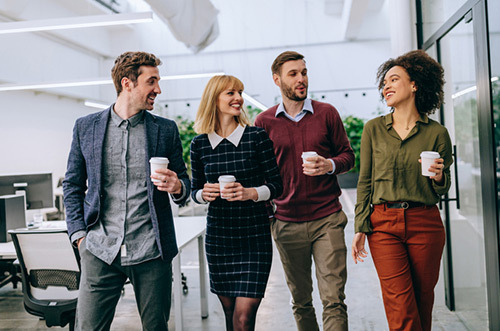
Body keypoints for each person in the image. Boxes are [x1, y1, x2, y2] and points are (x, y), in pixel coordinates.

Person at [63, 51, 190, 330]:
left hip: (150, 250)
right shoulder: (87, 127)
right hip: (99, 249)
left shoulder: (165, 130)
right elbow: (72, 184)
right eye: (152, 81)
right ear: (127, 83)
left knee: (156, 327)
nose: (158, 89)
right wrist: (79, 236)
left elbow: (184, 181)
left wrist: (178, 186)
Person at [351, 50, 453, 331]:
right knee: (400, 304)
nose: (387, 86)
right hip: (383, 224)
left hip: (425, 223)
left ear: (415, 85)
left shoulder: (437, 133)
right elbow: (365, 181)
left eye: (394, 79)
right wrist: (360, 224)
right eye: (384, 83)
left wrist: (439, 175)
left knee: (422, 301)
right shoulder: (374, 129)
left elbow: (442, 187)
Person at [254, 51, 354, 331]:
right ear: (277, 80)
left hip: (327, 219)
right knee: (301, 300)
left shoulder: (327, 113)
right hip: (286, 223)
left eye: (304, 72)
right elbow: (259, 174)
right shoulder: (263, 122)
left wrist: (329, 164)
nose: (302, 79)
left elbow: (348, 155)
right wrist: (269, 217)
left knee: (334, 299)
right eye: (293, 74)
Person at [190, 75, 283, 331]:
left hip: (254, 236)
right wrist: (203, 194)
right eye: (230, 93)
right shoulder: (199, 145)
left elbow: (277, 185)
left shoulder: (256, 137)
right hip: (220, 238)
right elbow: (194, 190)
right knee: (230, 314)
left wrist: (250, 193)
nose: (238, 98)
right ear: (214, 98)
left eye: (240, 92)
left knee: (244, 317)